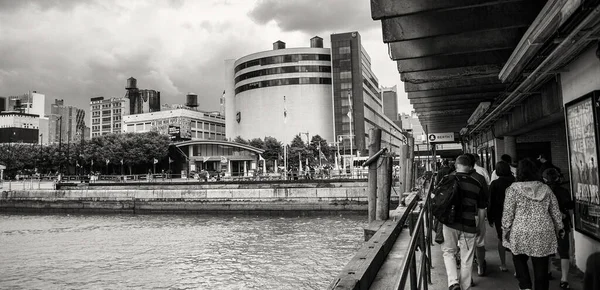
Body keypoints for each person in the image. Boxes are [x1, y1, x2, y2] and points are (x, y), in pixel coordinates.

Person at [502, 158, 564, 290]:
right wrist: (560, 228)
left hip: (520, 230)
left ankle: (525, 287)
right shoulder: (546, 188)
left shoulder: (513, 189)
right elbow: (555, 212)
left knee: (519, 260)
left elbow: (508, 213)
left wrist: (505, 229)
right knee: (541, 265)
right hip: (543, 231)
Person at [441, 155, 486, 290]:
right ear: (471, 167)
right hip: (469, 224)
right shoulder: (476, 184)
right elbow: (482, 210)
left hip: (450, 223)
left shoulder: (447, 180)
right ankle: (464, 286)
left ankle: (453, 282)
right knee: (467, 258)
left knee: (449, 252)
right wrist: (479, 226)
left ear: (456, 165)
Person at [542, 168, 574, 289]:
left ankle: (548, 272)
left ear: (544, 179)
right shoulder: (563, 191)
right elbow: (570, 208)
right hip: (562, 225)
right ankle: (564, 279)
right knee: (564, 252)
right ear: (557, 178)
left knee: (547, 250)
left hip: (547, 225)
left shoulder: (543, 192)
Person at [464, 153, 489, 277]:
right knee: (480, 242)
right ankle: (480, 267)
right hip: (478, 213)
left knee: (464, 244)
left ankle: (468, 274)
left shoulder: (454, 177)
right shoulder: (480, 176)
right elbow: (485, 197)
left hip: (461, 216)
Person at [487, 161, 515, 272]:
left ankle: (503, 264)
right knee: (515, 238)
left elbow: (491, 202)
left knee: (501, 238)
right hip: (515, 214)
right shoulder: (515, 182)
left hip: (500, 215)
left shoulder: (494, 184)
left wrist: (490, 217)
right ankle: (518, 266)